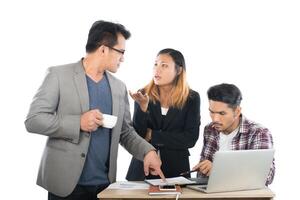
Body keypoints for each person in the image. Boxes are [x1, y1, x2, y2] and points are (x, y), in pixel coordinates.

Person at [25, 20, 165, 200]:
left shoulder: (118, 87)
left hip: (104, 187)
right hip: (65, 187)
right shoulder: (58, 75)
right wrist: (78, 123)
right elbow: (34, 120)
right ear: (104, 49)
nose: (123, 58)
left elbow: (125, 132)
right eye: (121, 52)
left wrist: (148, 151)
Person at [126, 48, 201, 181]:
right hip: (142, 169)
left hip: (176, 170)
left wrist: (153, 135)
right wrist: (142, 109)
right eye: (155, 64)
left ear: (178, 71)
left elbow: (190, 138)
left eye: (164, 66)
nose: (157, 70)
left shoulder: (192, 98)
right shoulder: (143, 94)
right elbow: (137, 137)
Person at [192, 83, 275, 185]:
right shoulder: (210, 129)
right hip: (214, 192)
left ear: (237, 111)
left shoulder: (258, 133)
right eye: (212, 112)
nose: (215, 119)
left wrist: (219, 169)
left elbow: (265, 177)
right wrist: (203, 169)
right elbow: (202, 176)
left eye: (222, 113)